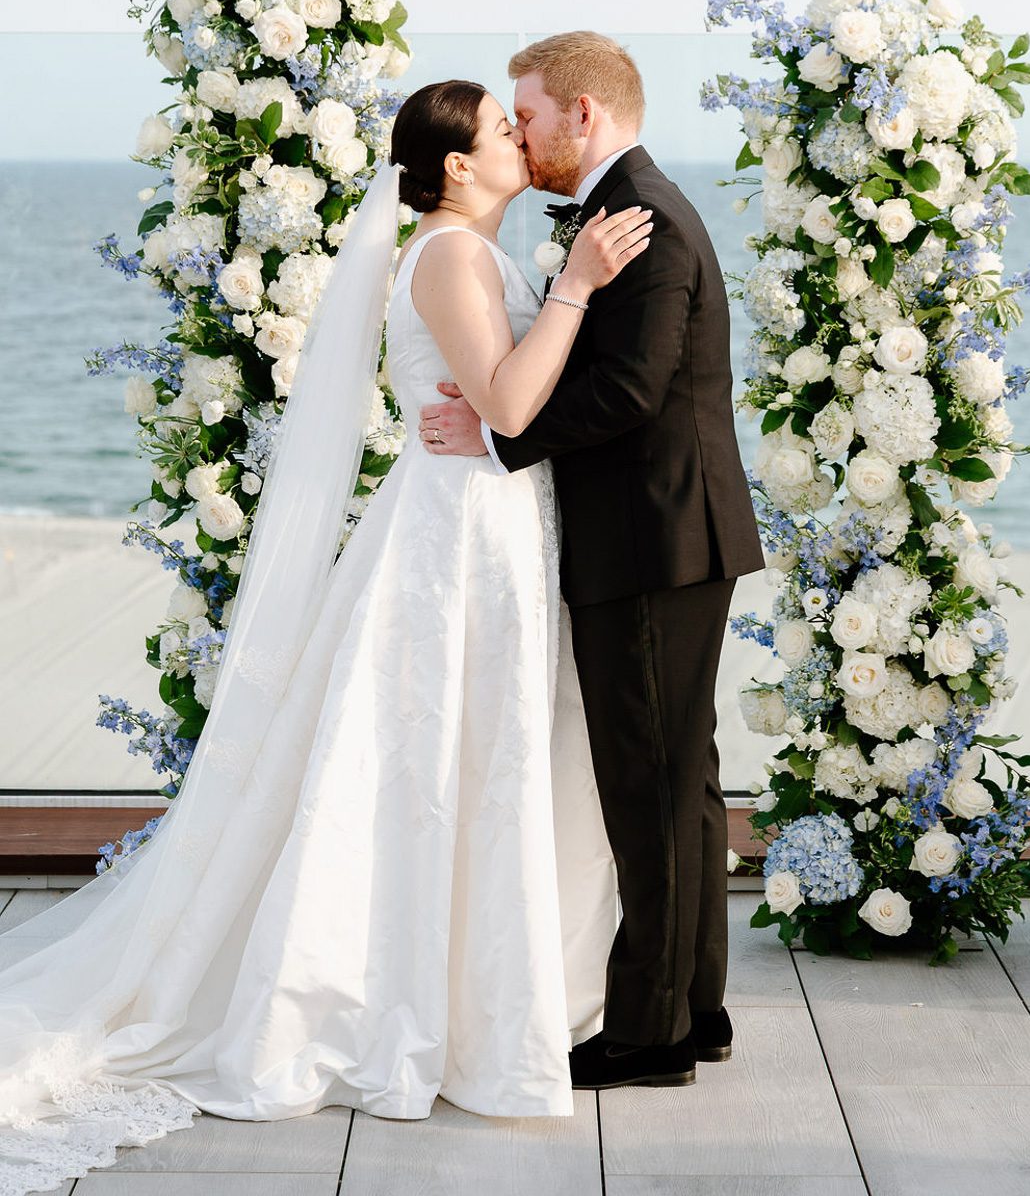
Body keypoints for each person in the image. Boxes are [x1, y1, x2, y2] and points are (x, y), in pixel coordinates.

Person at [0, 80, 654, 1194]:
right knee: (433, 765)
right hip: (453, 540)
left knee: (467, 760)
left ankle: (463, 995)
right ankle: (396, 1003)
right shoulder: (449, 254)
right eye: (503, 129)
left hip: (489, 529)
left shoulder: (473, 254)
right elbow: (503, 403)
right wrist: (583, 290)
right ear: (453, 165)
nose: (518, 140)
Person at [418, 32, 766, 1091]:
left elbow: (632, 393)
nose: (519, 132)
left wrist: (496, 434)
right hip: (666, 532)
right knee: (683, 781)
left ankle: (649, 1034)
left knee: (650, 786)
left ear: (584, 113)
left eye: (527, 114)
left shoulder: (641, 220)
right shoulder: (626, 209)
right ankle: (695, 1011)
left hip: (655, 538)